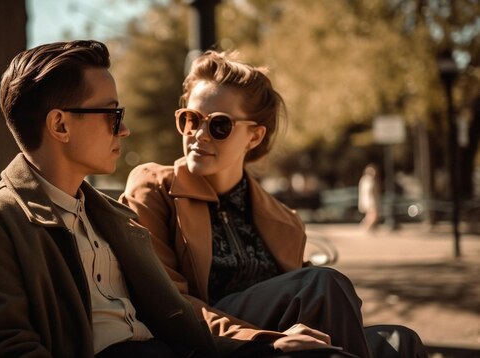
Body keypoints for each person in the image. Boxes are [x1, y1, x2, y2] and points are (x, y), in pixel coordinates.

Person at [0, 40, 264, 358]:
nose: (124, 129)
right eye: (112, 114)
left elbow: (181, 325)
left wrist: (266, 344)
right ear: (60, 125)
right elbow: (5, 348)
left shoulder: (112, 216)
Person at [121, 50, 427, 357]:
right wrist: (264, 340)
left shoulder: (282, 218)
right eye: (190, 119)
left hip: (286, 338)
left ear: (254, 137)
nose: (199, 135)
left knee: (401, 342)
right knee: (322, 285)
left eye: (219, 125)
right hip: (220, 343)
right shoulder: (155, 187)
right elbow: (167, 302)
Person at [358, 164, 380, 231]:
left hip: (370, 201)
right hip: (369, 201)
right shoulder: (367, 181)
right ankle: (365, 227)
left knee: (370, 216)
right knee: (373, 216)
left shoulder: (370, 180)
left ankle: (368, 227)